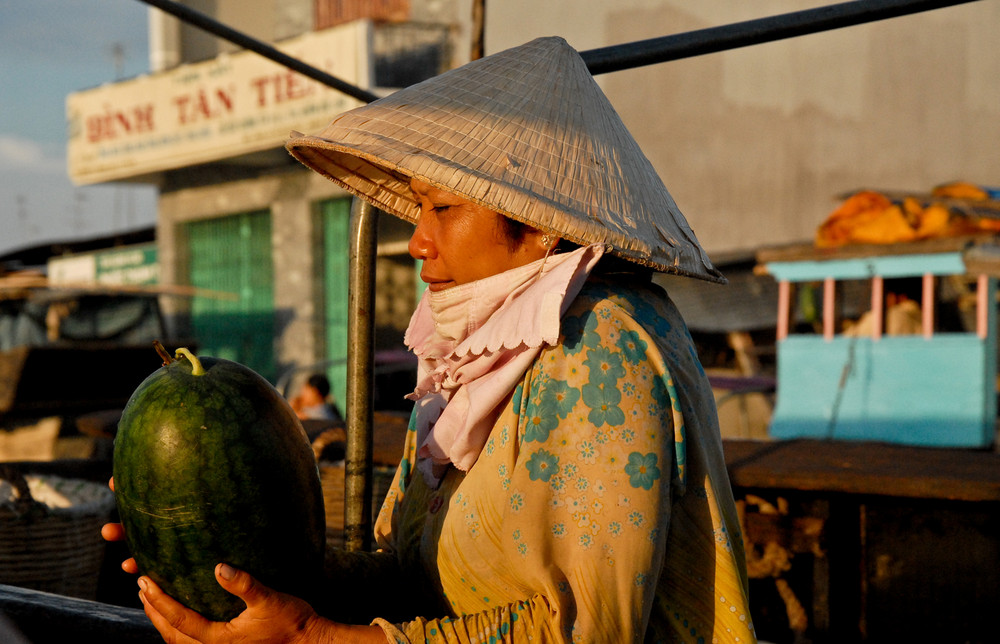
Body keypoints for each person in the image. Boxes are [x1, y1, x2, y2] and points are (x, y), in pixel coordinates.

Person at [104, 36, 756, 643]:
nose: (417, 240)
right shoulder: (468, 357)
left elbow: (587, 627)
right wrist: (230, 566)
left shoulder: (603, 342)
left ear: (541, 229)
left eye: (443, 209)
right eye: (417, 208)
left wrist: (311, 637)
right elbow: (417, 582)